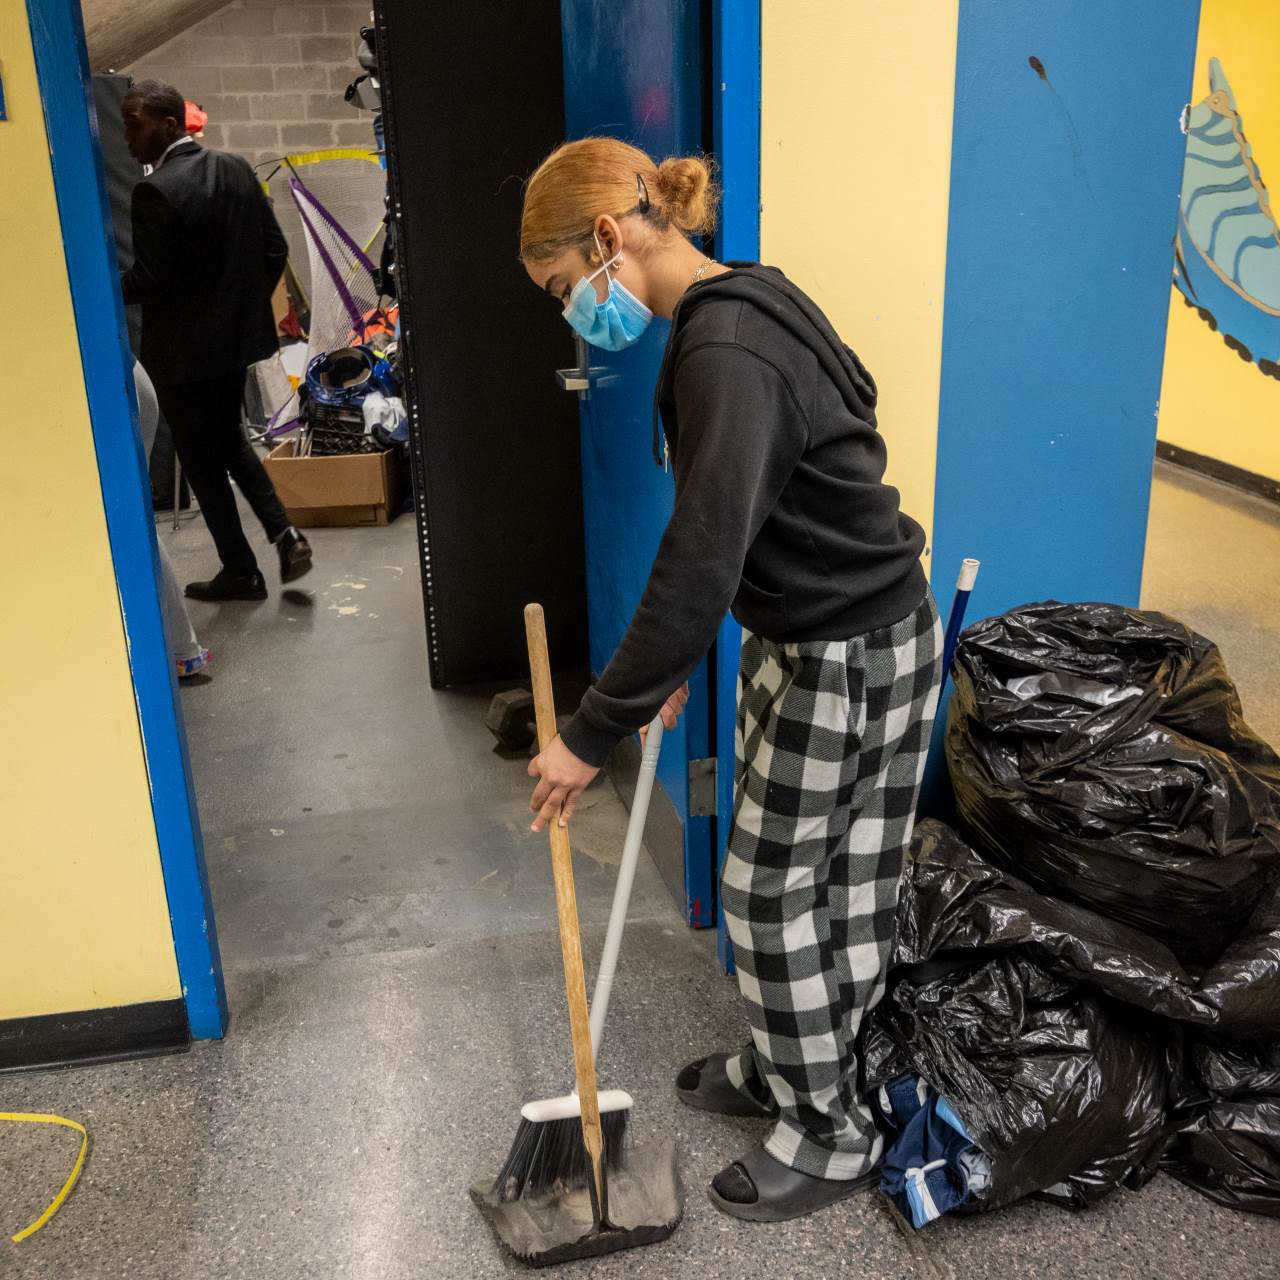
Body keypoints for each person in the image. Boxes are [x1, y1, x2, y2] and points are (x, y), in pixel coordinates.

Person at [519, 138, 943, 1223]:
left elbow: (701, 549)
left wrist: (586, 729)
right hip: (820, 632)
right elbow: (785, 471)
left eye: (565, 289)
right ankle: (787, 1059)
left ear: (608, 238)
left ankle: (829, 1129)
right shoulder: (742, 297)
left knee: (768, 897)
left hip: (847, 648)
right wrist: (668, 657)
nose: (571, 314)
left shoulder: (725, 349)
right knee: (819, 881)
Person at [120, 79, 312, 601]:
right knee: (229, 441)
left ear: (168, 124)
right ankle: (283, 534)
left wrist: (101, 290)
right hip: (233, 346)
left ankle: (241, 571)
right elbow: (274, 250)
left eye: (134, 125)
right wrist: (240, 310)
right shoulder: (234, 168)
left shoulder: (153, 190)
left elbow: (151, 280)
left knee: (204, 459)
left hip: (183, 355)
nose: (127, 138)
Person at [133, 359, 211, 679]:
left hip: (111, 388)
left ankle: (179, 649)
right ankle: (182, 649)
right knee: (138, 525)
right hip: (131, 379)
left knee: (133, 527)